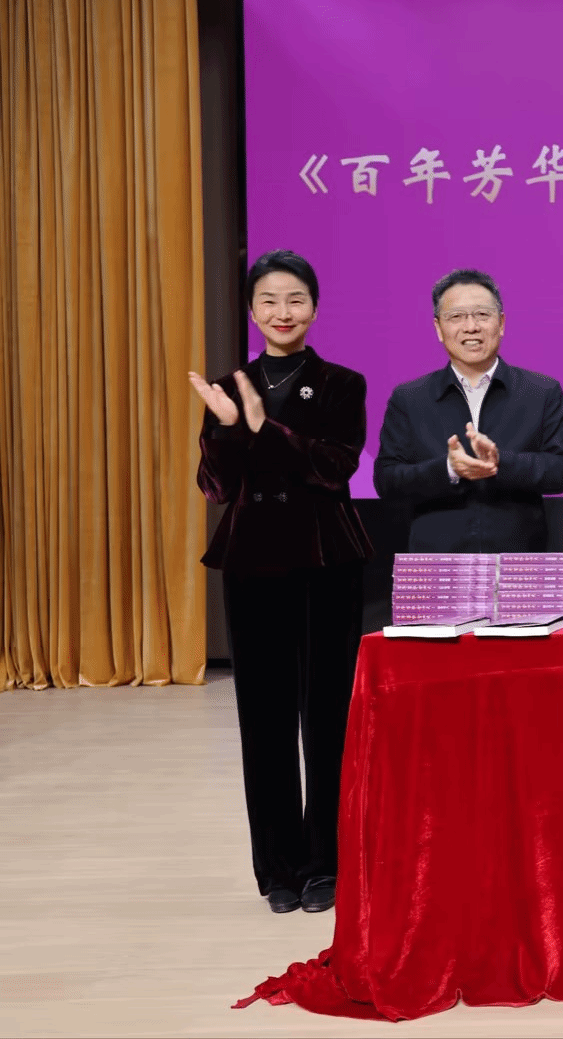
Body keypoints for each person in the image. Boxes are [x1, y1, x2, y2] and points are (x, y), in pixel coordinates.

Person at [189, 250, 372, 915]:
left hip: (326, 562)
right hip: (252, 564)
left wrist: (265, 428)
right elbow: (215, 488)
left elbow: (335, 467)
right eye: (268, 300)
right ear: (252, 309)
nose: (282, 312)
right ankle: (279, 869)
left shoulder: (342, 383)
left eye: (295, 299)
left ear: (314, 308)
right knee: (263, 720)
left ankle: (327, 864)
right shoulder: (226, 388)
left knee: (327, 717)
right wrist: (227, 431)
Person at [374, 268, 563, 552]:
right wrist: (449, 469)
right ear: (438, 328)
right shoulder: (409, 398)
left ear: (501, 323)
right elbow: (387, 480)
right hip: (437, 563)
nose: (471, 327)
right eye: (456, 317)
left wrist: (500, 463)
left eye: (482, 315)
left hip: (518, 561)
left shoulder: (541, 391)